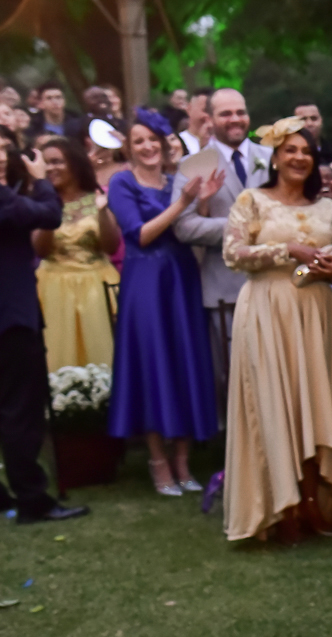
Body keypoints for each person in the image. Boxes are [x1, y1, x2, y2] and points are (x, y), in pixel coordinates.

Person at [221, 117, 332, 541]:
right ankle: (278, 508)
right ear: (276, 158)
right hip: (267, 311)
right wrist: (289, 248)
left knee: (321, 405)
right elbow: (233, 253)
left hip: (317, 312)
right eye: (290, 151)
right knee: (274, 402)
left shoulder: (327, 208)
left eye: (306, 151)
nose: (299, 157)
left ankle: (317, 501)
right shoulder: (252, 200)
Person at [106, 108, 221, 496]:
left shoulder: (177, 180)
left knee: (185, 361)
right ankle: (158, 463)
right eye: (138, 140)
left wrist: (201, 202)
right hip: (146, 284)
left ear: (162, 143)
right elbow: (140, 235)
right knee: (153, 366)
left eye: (152, 139)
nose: (147, 146)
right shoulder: (122, 183)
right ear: (129, 147)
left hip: (181, 278)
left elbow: (189, 231)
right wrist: (181, 203)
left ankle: (185, 462)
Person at [0, 142, 90, 524]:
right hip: (11, 317)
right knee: (20, 411)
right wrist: (39, 181)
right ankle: (32, 499)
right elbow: (50, 215)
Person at [172, 87, 273, 401]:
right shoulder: (194, 164)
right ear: (210, 119)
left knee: (277, 369)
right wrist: (242, 229)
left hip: (275, 282)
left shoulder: (271, 157)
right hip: (224, 286)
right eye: (226, 113)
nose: (235, 119)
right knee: (236, 377)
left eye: (240, 112)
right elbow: (184, 226)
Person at [32, 137, 121, 371]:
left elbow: (111, 247)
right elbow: (40, 250)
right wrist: (47, 210)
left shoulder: (96, 198)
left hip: (95, 286)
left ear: (74, 163)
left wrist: (102, 212)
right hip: (53, 288)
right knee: (56, 357)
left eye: (57, 162)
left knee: (102, 355)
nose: (51, 168)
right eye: (46, 163)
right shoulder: (39, 201)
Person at [294, 100, 332, 165]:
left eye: (314, 118)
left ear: (321, 121)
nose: (310, 124)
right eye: (303, 119)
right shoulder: (289, 155)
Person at [177, 87, 213, 156]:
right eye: (206, 110)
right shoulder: (179, 143)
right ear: (189, 108)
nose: (209, 116)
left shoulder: (223, 142)